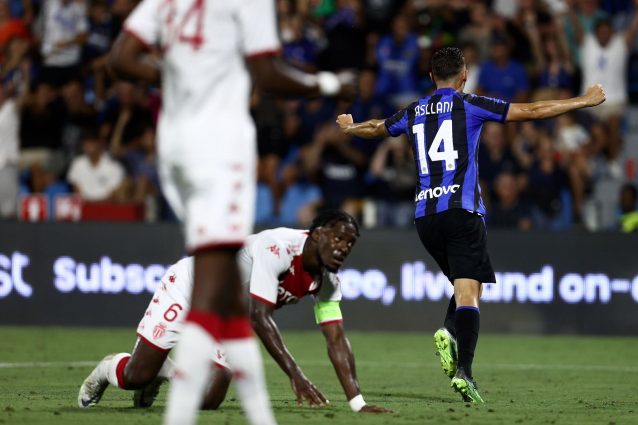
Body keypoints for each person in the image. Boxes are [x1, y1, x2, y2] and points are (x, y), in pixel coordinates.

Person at [106, 1, 354, 424]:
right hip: (221, 146)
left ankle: (217, 401)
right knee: (214, 278)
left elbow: (120, 60)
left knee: (216, 277)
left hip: (175, 147)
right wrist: (330, 83)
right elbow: (268, 74)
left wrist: (180, 76)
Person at [335, 46, 605, 403]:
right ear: (464, 75)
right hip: (461, 212)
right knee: (468, 292)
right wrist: (584, 101)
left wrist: (350, 127)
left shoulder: (414, 110)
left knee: (469, 286)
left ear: (431, 76)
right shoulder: (470, 104)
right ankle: (464, 370)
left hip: (425, 218)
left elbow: (377, 127)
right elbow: (533, 110)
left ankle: (450, 331)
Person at [78, 210, 388, 414]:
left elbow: (336, 340)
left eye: (350, 243)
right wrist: (296, 374)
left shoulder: (329, 283)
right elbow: (259, 317)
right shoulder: (278, 247)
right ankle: (108, 369)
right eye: (338, 238)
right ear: (317, 235)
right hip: (190, 287)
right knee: (135, 376)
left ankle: (163, 372)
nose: (343, 248)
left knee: (209, 399)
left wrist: (358, 403)